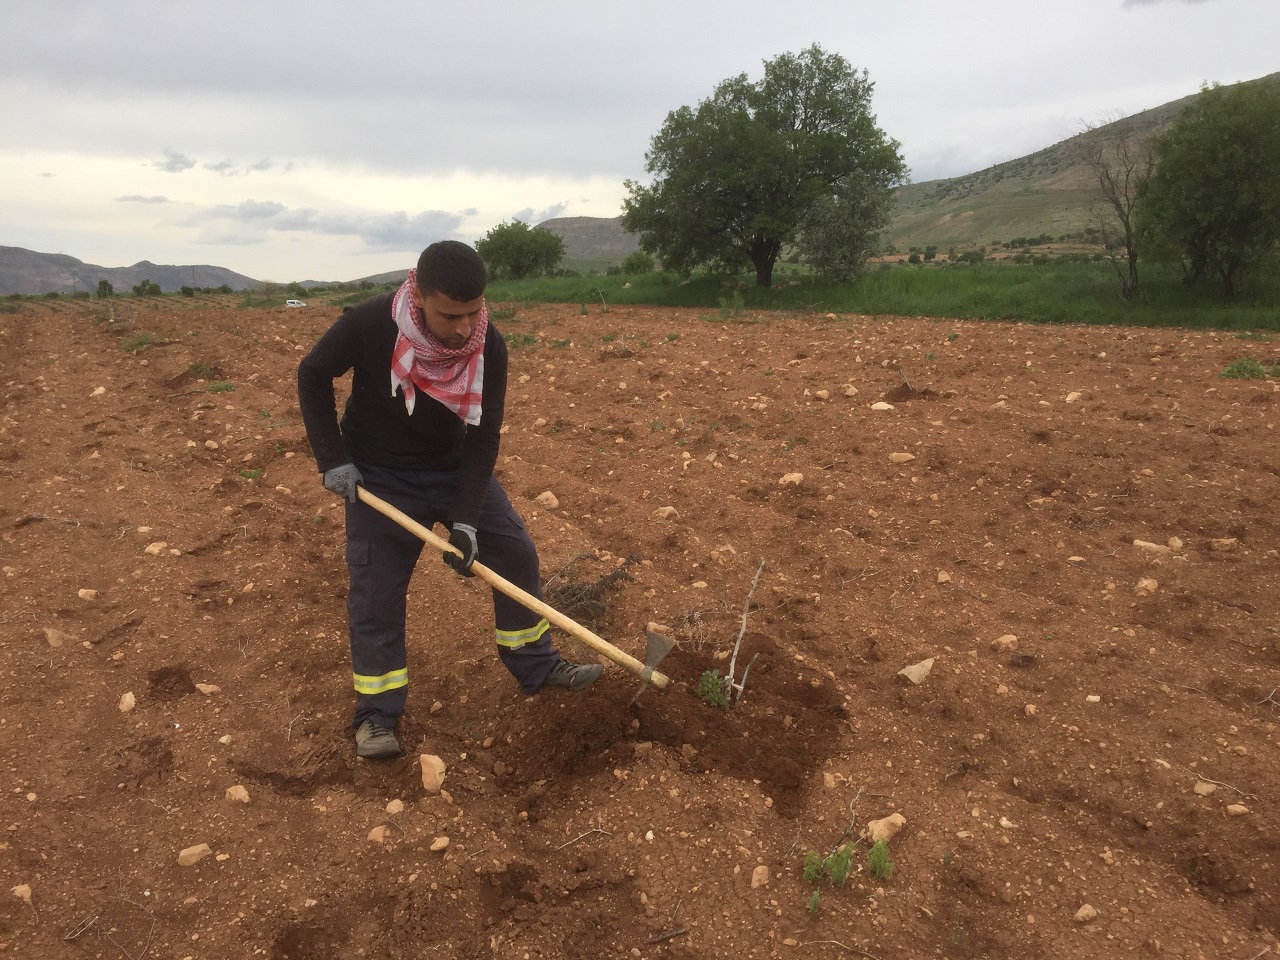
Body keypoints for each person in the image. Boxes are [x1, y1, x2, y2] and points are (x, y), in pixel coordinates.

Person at [297, 240, 602, 759]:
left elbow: (483, 438)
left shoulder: (488, 346)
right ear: (417, 294)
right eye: (450, 315)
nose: (464, 328)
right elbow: (312, 373)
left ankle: (536, 665)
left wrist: (465, 521)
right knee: (376, 595)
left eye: (474, 312)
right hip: (378, 479)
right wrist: (333, 458)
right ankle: (376, 713)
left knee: (514, 552)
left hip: (453, 467)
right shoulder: (369, 324)